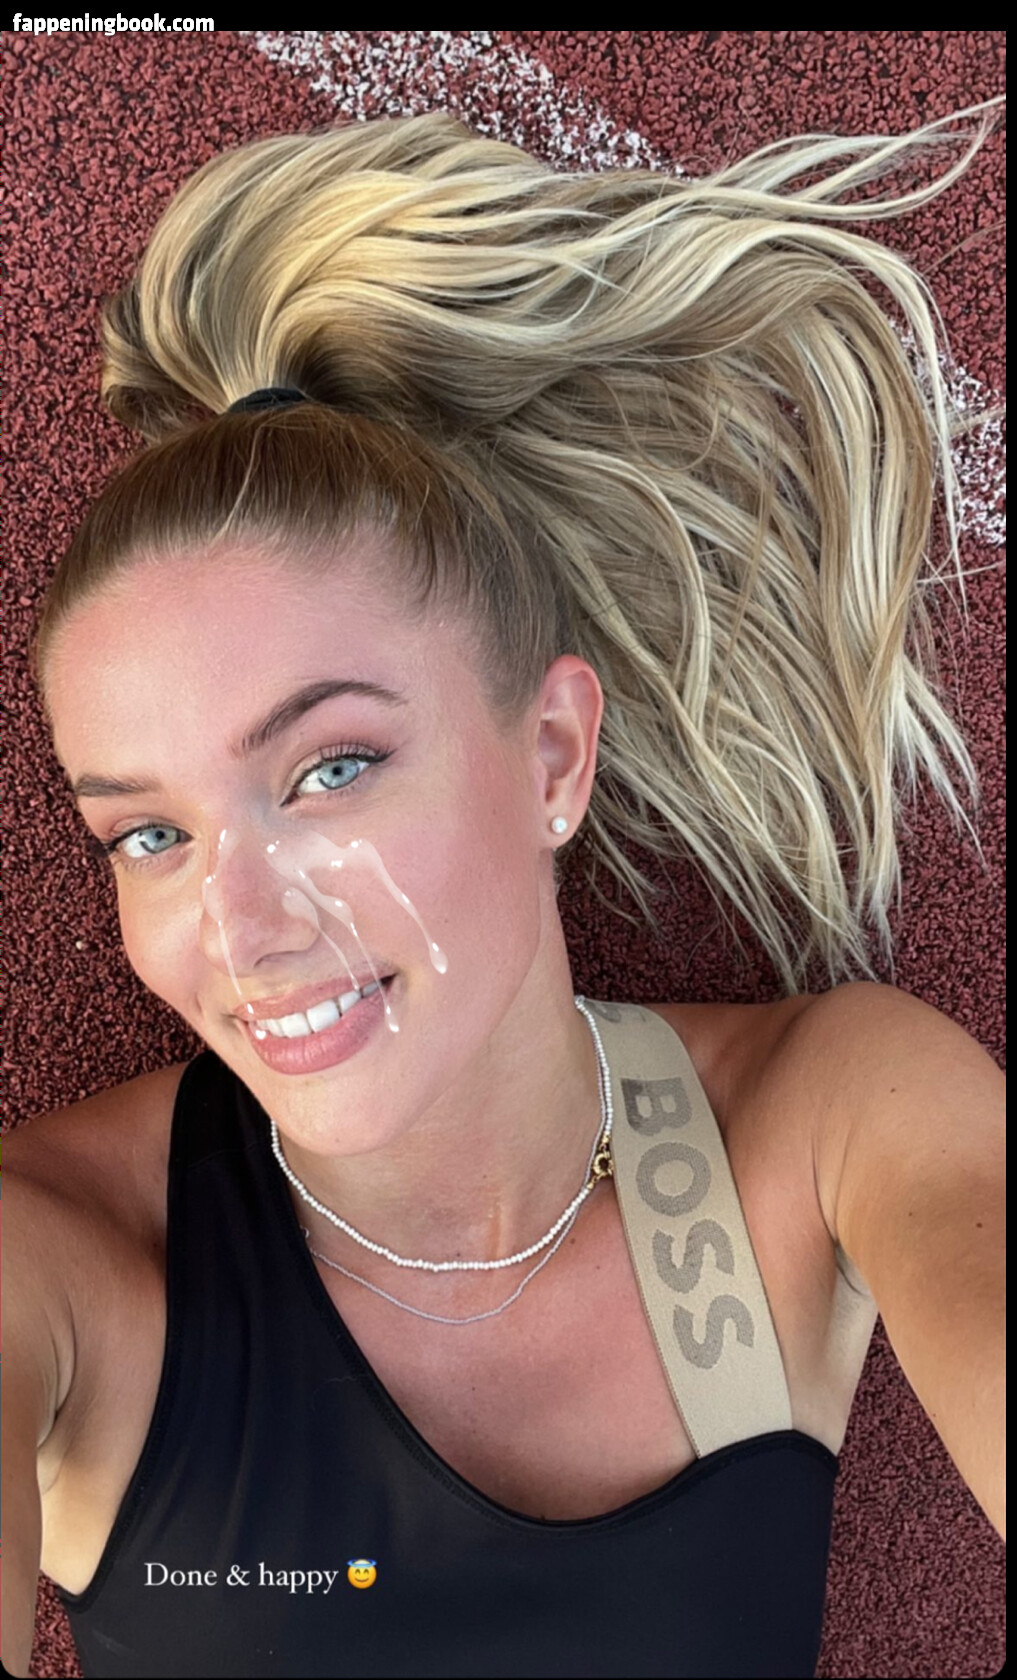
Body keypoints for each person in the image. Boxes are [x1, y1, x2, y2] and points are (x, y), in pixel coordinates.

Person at [2, 101, 1005, 1679]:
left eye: (328, 770)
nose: (240, 931)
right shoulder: (53, 1263)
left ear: (549, 754)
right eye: (148, 836)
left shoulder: (827, 1125)